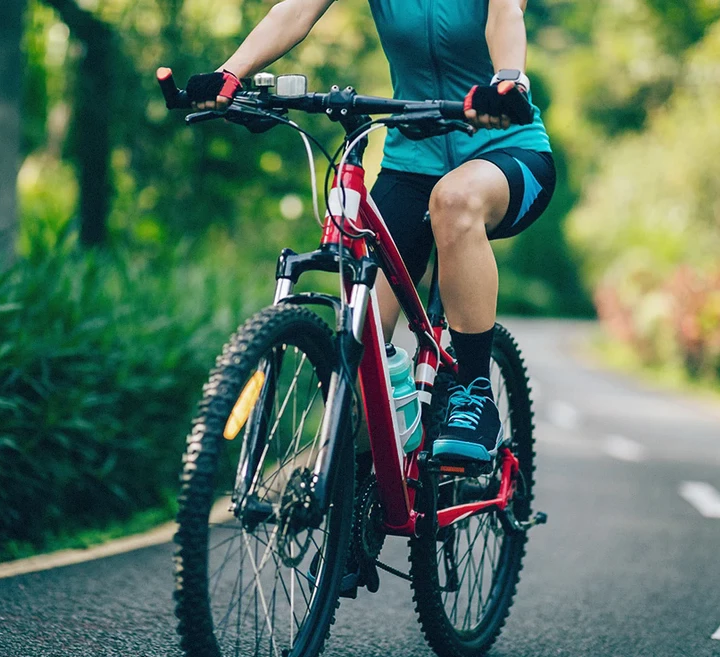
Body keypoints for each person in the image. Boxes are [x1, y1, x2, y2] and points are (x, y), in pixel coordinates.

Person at [185, 0, 556, 469]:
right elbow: (295, 10)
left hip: (506, 148)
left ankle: (473, 393)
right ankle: (357, 496)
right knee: (364, 348)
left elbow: (506, 14)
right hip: (410, 163)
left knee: (454, 200)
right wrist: (229, 73)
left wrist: (508, 79)